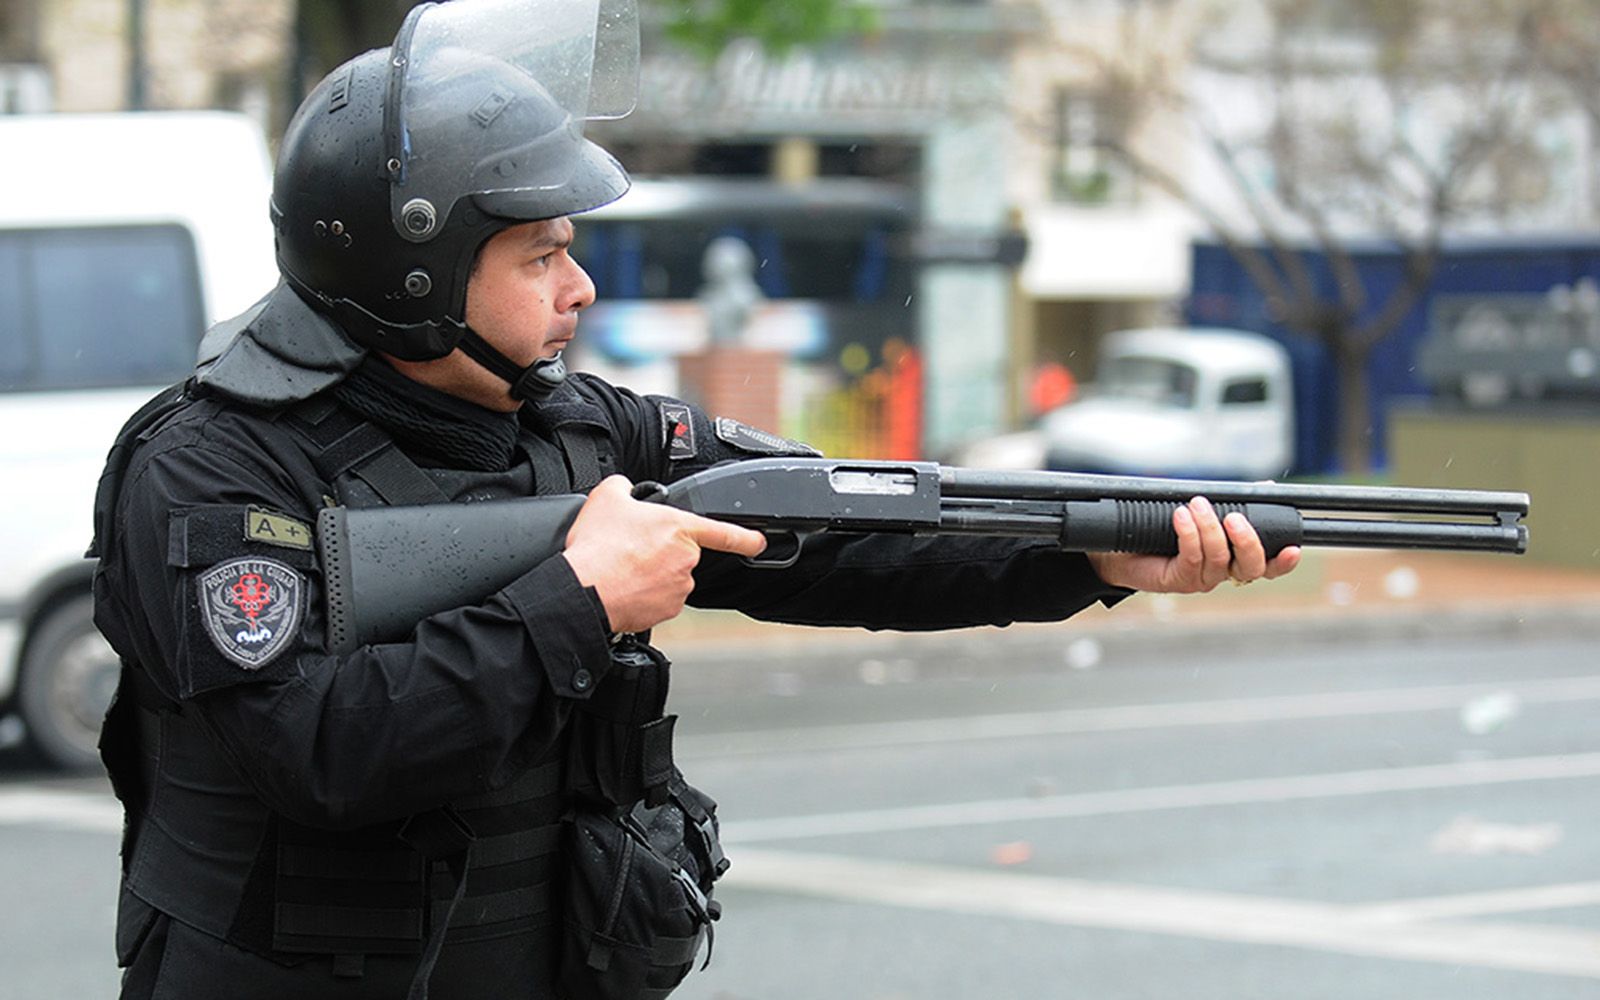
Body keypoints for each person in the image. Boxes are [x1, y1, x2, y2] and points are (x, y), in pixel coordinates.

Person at [88, 2, 1300, 998]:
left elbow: (838, 534)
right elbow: (318, 752)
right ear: (415, 273)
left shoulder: (575, 425)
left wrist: (1083, 558)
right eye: (538, 256)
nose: (578, 285)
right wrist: (576, 601)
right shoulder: (212, 466)